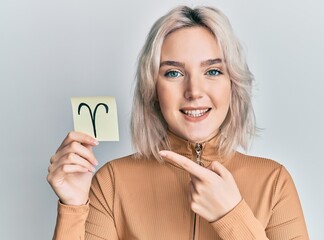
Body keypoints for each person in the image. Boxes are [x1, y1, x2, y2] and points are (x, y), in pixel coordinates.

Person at [47, 5, 309, 240]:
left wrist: (232, 216)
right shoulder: (112, 182)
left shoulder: (274, 182)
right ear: (152, 89)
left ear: (233, 84)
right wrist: (73, 207)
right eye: (174, 72)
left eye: (213, 71)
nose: (194, 91)